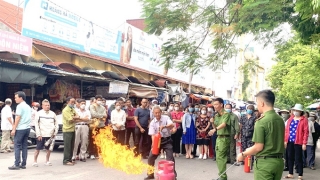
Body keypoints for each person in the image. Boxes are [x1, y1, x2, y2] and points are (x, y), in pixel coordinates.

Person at [236, 90, 285, 180]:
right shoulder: (280, 119)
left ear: (262, 103)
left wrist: (243, 154)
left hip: (265, 164)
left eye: (257, 102)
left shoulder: (261, 121)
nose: (256, 106)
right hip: (278, 162)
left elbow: (258, 147)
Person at [144, 106, 176, 180]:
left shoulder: (166, 118)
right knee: (151, 158)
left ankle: (172, 175)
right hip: (157, 141)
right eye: (156, 113)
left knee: (170, 158)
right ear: (153, 114)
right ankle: (150, 174)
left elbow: (172, 125)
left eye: (159, 112)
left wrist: (164, 126)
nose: (157, 114)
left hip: (167, 140)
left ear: (161, 112)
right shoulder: (152, 123)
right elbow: (152, 135)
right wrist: (153, 146)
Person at [283, 104, 308, 179]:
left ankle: (300, 175)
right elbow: (286, 131)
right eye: (295, 110)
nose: (296, 112)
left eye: (297, 110)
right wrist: (285, 140)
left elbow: (306, 132)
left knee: (298, 158)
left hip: (298, 142)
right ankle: (290, 173)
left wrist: (304, 143)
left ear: (301, 111)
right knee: (290, 157)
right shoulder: (291, 119)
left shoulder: (304, 120)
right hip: (290, 141)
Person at [208, 98, 231, 180]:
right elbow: (215, 127)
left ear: (221, 104)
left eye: (216, 104)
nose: (215, 106)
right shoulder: (216, 115)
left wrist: (214, 129)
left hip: (225, 138)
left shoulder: (226, 114)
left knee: (221, 158)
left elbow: (224, 124)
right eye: (214, 104)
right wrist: (212, 123)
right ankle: (221, 175)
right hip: (219, 137)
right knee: (218, 158)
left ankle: (223, 177)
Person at [9, 91, 31, 170]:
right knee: (24, 146)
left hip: (20, 128)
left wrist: (14, 128)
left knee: (17, 146)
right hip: (27, 128)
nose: (15, 99)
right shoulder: (28, 106)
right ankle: (23, 164)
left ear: (21, 98)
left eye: (16, 97)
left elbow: (18, 118)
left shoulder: (20, 106)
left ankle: (17, 163)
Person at [33, 99, 59, 167]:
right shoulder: (39, 113)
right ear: (42, 106)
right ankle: (35, 161)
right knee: (38, 149)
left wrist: (55, 132)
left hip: (50, 134)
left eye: (48, 105)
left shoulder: (53, 114)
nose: (47, 106)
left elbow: (56, 124)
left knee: (48, 149)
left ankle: (47, 161)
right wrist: (38, 134)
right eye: (46, 105)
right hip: (42, 134)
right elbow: (36, 125)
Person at [62, 97, 79, 166]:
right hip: (67, 130)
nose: (73, 103)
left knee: (72, 146)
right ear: (67, 102)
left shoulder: (72, 109)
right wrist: (75, 117)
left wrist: (75, 117)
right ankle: (66, 160)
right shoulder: (65, 110)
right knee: (67, 146)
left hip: (72, 129)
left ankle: (70, 159)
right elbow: (70, 119)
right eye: (72, 102)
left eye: (74, 102)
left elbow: (77, 116)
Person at [89, 95, 107, 159]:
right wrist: (101, 116)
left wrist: (99, 116)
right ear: (95, 100)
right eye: (98, 100)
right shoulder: (92, 106)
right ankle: (92, 153)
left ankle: (98, 153)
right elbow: (93, 114)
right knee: (93, 140)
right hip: (94, 126)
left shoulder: (103, 107)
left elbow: (105, 115)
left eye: (100, 100)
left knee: (100, 140)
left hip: (101, 125)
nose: (99, 101)